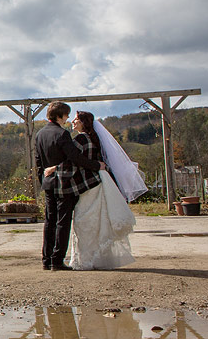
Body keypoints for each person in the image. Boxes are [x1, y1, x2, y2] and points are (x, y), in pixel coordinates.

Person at [46, 111, 140, 270]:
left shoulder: (81, 139)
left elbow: (74, 161)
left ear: (83, 122)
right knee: (97, 221)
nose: (73, 122)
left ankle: (87, 259)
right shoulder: (95, 139)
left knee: (85, 222)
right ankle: (98, 258)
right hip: (98, 183)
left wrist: (53, 168)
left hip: (87, 186)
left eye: (76, 120)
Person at [34, 101, 105, 271]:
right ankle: (57, 260)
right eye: (66, 115)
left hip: (48, 183)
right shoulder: (62, 134)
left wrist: (42, 181)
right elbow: (75, 158)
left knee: (49, 221)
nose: (67, 118)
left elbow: (38, 161)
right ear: (59, 115)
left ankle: (46, 260)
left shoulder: (40, 134)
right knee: (63, 222)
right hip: (64, 184)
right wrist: (97, 165)